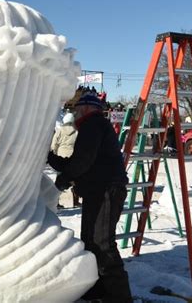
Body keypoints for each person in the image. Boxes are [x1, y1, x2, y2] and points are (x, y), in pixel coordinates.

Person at [47, 93, 133, 302]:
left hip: (106, 190)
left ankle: (120, 297)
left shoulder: (93, 124)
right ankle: (98, 289)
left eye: (77, 108)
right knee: (90, 242)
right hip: (98, 190)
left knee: (102, 243)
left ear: (87, 108)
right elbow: (77, 162)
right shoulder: (91, 126)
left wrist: (64, 180)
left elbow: (82, 162)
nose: (74, 112)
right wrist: (51, 158)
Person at [50, 112, 81, 208]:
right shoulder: (77, 131)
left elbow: (54, 145)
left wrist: (54, 155)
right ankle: (76, 201)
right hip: (73, 158)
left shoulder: (59, 131)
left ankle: (56, 202)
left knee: (59, 181)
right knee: (75, 180)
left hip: (60, 158)